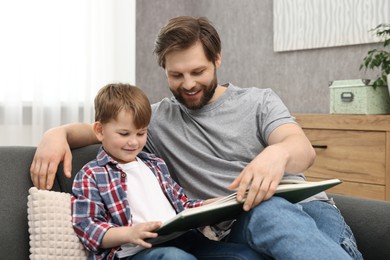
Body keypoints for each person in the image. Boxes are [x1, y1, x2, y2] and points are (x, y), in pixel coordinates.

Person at [31, 16, 363, 259]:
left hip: (305, 212)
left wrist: (276, 155)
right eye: (176, 75)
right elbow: (100, 130)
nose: (188, 83)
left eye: (198, 71)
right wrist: (55, 133)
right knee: (262, 213)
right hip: (236, 228)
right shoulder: (156, 120)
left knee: (272, 209)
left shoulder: (259, 100)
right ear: (164, 70)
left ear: (216, 60)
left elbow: (302, 149)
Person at [72, 83, 259, 260]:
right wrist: (129, 233)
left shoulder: (154, 164)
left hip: (185, 240)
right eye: (124, 134)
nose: (134, 142)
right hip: (136, 251)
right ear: (99, 130)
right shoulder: (92, 174)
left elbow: (182, 206)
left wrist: (216, 205)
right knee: (175, 258)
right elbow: (88, 227)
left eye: (141, 133)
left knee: (244, 255)